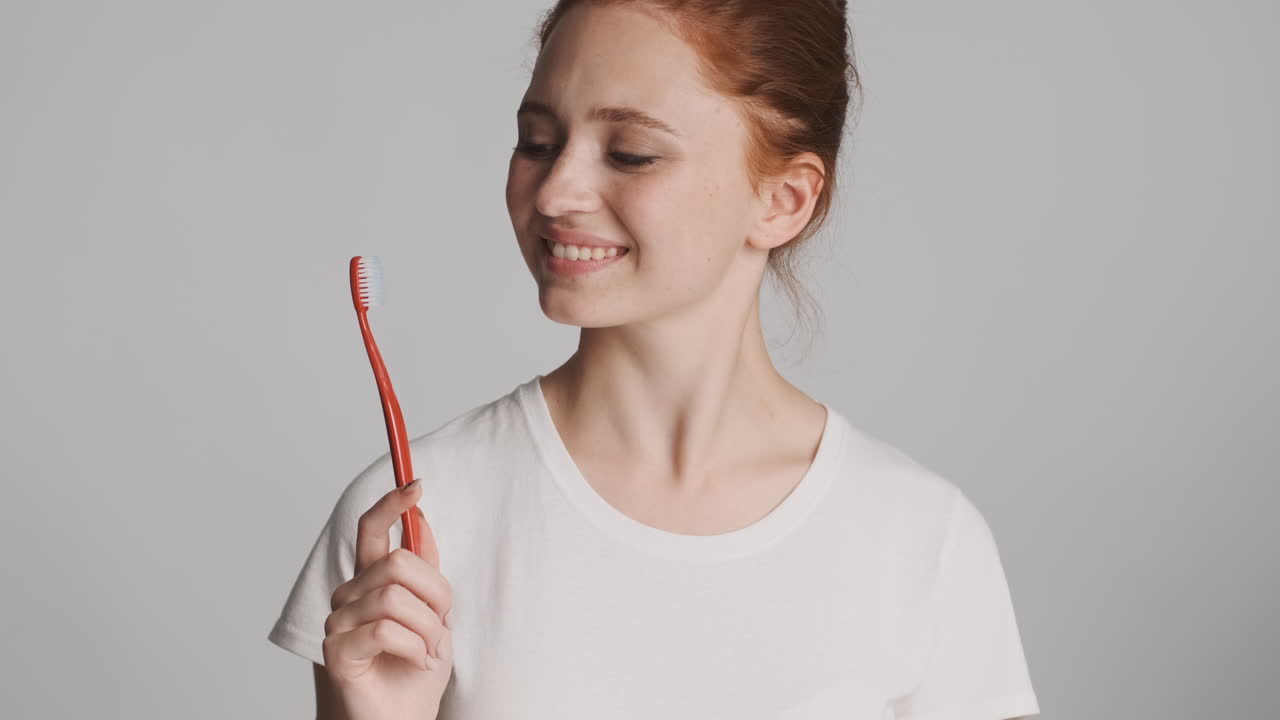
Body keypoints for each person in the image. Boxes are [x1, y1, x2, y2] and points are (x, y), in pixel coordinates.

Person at [267, 2, 1042, 719]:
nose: (555, 191)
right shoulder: (409, 532)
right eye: (537, 141)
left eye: (631, 153)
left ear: (783, 200)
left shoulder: (921, 542)